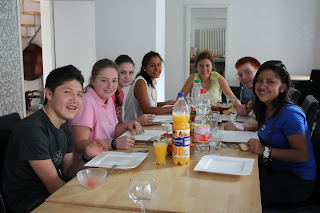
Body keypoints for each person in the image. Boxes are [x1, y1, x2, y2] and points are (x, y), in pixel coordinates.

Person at [2, 65, 108, 212]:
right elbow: (53, 184)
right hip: (31, 203)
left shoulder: (64, 126)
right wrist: (91, 199)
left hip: (50, 195)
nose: (75, 100)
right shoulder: (32, 130)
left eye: (79, 95)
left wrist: (86, 158)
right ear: (49, 94)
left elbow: (68, 172)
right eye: (67, 92)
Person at [243, 61, 316, 207]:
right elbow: (268, 128)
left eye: (270, 82)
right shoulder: (267, 108)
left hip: (297, 180)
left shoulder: (290, 115)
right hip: (277, 170)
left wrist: (264, 151)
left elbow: (303, 155)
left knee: (242, 195)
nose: (262, 86)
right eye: (259, 80)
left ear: (282, 87)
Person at [71, 59, 143, 160]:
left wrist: (127, 125)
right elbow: (79, 144)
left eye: (114, 81)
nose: (110, 86)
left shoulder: (108, 99)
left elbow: (110, 132)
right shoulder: (87, 102)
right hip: (89, 165)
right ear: (93, 80)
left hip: (106, 157)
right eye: (104, 80)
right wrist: (113, 143)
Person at [124, 51, 175, 122]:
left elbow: (150, 105)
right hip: (133, 127)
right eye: (152, 65)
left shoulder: (151, 82)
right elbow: (147, 110)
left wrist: (165, 103)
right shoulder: (141, 82)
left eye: (159, 65)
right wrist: (173, 108)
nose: (157, 69)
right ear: (144, 68)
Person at [112, 55, 155, 125]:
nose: (127, 77)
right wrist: (137, 121)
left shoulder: (121, 93)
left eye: (131, 73)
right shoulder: (110, 95)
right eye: (123, 72)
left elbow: (119, 122)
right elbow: (111, 128)